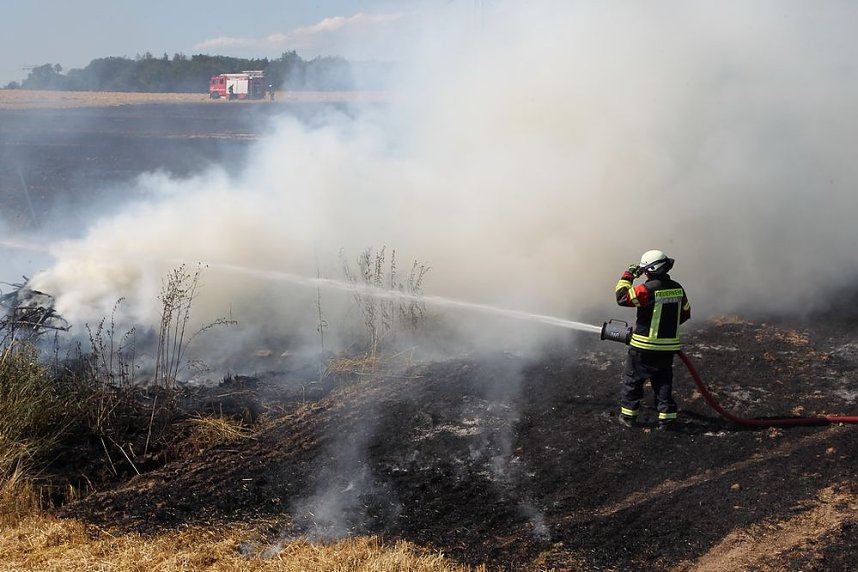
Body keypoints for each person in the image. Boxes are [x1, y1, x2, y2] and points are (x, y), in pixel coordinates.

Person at [615, 250, 691, 429]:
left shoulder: (646, 289)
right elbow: (686, 313)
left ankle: (628, 416)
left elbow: (622, 297)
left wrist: (628, 275)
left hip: (643, 347)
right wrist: (667, 325)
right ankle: (667, 418)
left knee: (633, 380)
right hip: (667, 348)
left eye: (645, 271)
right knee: (663, 381)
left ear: (650, 270)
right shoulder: (677, 288)